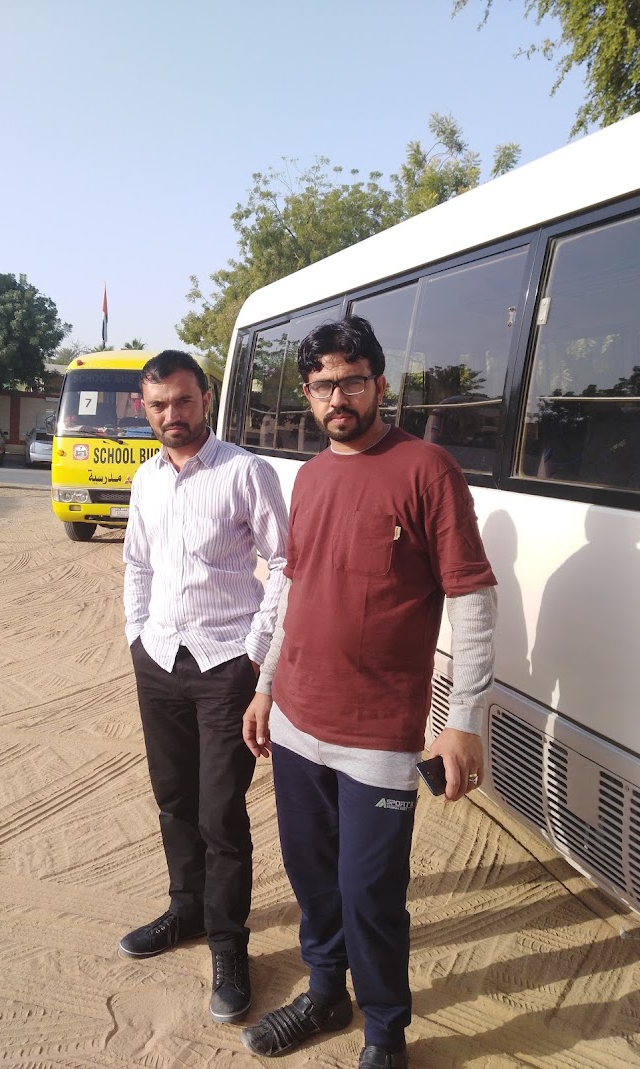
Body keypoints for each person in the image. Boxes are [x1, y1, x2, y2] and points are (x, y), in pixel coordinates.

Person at [240, 317, 497, 1069]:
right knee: (312, 876)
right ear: (308, 393)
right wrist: (266, 687)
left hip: (379, 734)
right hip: (296, 721)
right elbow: (294, 590)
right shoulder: (311, 476)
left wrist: (464, 719)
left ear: (380, 383)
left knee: (370, 892)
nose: (337, 398)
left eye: (352, 381)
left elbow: (471, 597)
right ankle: (325, 994)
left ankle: (385, 1031)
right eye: (321, 385)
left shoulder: (427, 469)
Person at [120, 350, 288, 1025]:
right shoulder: (145, 478)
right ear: (146, 408)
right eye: (159, 405)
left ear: (205, 399)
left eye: (183, 401)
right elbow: (136, 562)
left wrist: (256, 653)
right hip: (159, 659)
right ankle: (185, 908)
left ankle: (228, 942)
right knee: (173, 798)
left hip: (225, 663)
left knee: (220, 811)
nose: (172, 415)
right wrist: (136, 634)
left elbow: (285, 562)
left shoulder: (245, 472)